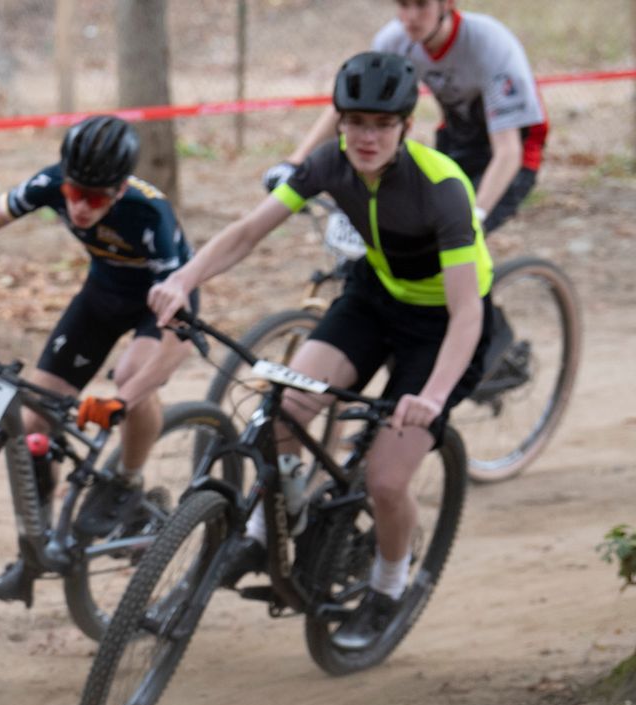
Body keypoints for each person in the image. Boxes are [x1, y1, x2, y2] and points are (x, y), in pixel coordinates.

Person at [150, 50, 495, 650]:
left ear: (405, 127)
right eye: (356, 122)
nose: (367, 137)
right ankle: (265, 528)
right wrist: (185, 279)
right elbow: (247, 231)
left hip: (442, 326)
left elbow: (468, 310)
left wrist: (432, 396)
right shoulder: (327, 164)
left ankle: (389, 585)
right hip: (374, 298)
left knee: (387, 480)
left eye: (382, 125)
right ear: (339, 122)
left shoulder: (441, 187)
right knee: (284, 407)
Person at [0, 114, 197, 603]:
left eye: (95, 199)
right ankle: (41, 546)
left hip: (160, 306)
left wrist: (123, 400)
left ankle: (127, 483)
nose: (78, 206)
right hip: (102, 296)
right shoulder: (53, 183)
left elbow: (180, 335)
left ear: (119, 191)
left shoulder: (151, 215)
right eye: (75, 192)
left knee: (132, 377)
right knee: (34, 421)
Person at [269, 1, 545, 232]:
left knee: (457, 238)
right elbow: (352, 105)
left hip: (515, 146)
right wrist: (295, 162)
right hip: (459, 134)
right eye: (403, 4)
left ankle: (472, 296)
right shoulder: (395, 40)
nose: (411, 17)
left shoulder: (490, 44)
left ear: (447, 4)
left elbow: (508, 152)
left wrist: (476, 216)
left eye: (422, 4)